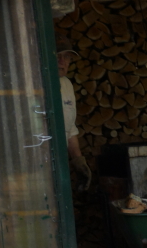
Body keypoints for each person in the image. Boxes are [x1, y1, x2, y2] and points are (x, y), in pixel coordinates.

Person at [56, 35, 91, 191]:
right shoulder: (33, 84)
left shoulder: (67, 84)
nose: (62, 62)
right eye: (57, 56)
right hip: (37, 165)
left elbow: (69, 129)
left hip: (59, 165)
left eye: (67, 57)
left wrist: (79, 162)